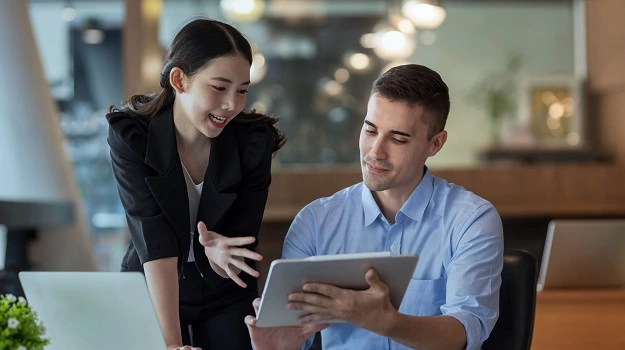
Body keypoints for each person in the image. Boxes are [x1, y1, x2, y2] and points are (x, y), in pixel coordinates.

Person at [246, 64, 503, 350]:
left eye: (398, 139)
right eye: (370, 130)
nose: (375, 152)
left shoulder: (471, 219)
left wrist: (388, 322)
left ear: (435, 144)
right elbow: (295, 334)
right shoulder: (315, 222)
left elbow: (467, 331)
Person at [106, 18, 285, 350]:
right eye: (219, 87)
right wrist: (172, 346)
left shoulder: (252, 143)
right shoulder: (132, 136)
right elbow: (154, 240)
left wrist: (219, 250)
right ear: (179, 80)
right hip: (151, 286)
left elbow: (242, 237)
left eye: (242, 90)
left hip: (224, 288)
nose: (232, 104)